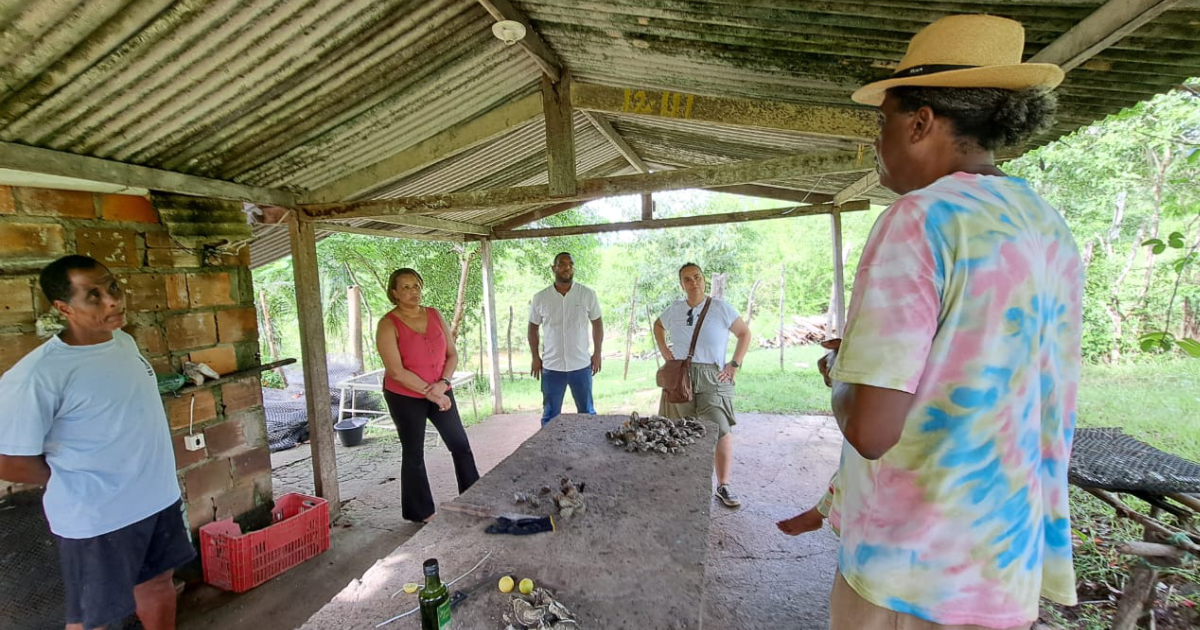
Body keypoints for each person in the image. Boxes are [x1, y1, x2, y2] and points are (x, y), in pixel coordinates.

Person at [819, 14, 1081, 630]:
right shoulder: (1046, 225)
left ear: (920, 121)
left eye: (881, 122)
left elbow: (871, 429)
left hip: (910, 571)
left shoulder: (919, 219)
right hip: (1002, 569)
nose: (876, 143)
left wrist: (838, 370)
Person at [0, 255, 194, 630]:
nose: (112, 301)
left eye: (113, 288)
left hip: (156, 498)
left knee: (157, 585)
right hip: (99, 516)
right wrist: (80, 480)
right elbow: (10, 460)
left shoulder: (121, 341)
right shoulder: (39, 375)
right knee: (93, 617)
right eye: (93, 295)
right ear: (63, 308)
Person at [376, 267, 480, 523]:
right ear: (394, 293)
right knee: (414, 453)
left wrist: (443, 384)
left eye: (416, 286)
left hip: (441, 389)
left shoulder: (434, 315)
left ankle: (474, 497)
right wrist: (431, 392)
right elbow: (396, 371)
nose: (413, 292)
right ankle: (420, 511)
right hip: (405, 396)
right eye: (406, 288)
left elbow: (452, 354)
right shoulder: (388, 324)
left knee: (460, 445)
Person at [654, 263, 751, 508]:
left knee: (721, 428)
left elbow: (744, 334)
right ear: (682, 284)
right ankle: (684, 484)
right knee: (680, 429)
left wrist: (734, 364)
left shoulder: (720, 308)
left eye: (697, 277)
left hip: (712, 374)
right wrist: (665, 349)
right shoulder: (675, 309)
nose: (693, 282)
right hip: (680, 375)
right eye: (687, 279)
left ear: (704, 280)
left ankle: (724, 484)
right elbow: (658, 325)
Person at [527, 252, 603, 426]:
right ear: (554, 268)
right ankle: (548, 450)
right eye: (562, 264)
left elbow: (597, 324)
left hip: (581, 365)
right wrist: (535, 357)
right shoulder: (541, 298)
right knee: (550, 415)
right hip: (551, 367)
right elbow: (532, 328)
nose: (567, 267)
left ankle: (590, 450)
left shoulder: (587, 294)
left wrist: (597, 353)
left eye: (570, 264)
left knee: (587, 412)